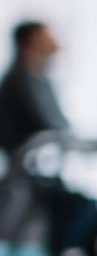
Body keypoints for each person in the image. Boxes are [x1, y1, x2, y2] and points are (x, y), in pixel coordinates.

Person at [0, 21, 68, 156]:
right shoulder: (19, 80)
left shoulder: (40, 78)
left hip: (41, 156)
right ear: (31, 42)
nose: (54, 40)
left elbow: (59, 122)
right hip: (24, 160)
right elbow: (43, 123)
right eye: (47, 36)